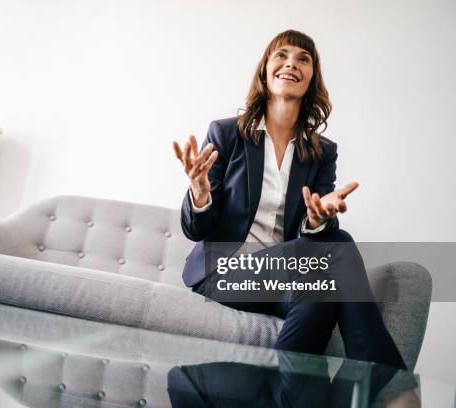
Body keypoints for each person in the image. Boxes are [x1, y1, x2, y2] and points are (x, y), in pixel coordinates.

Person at [172, 29, 412, 405]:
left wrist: (318, 221)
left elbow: (316, 235)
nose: (291, 64)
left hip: (282, 281)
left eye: (303, 59)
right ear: (265, 71)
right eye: (281, 56)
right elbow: (195, 229)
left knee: (319, 296)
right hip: (226, 273)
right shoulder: (226, 135)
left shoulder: (321, 153)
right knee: (341, 245)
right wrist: (200, 193)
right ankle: (390, 387)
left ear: (312, 77)